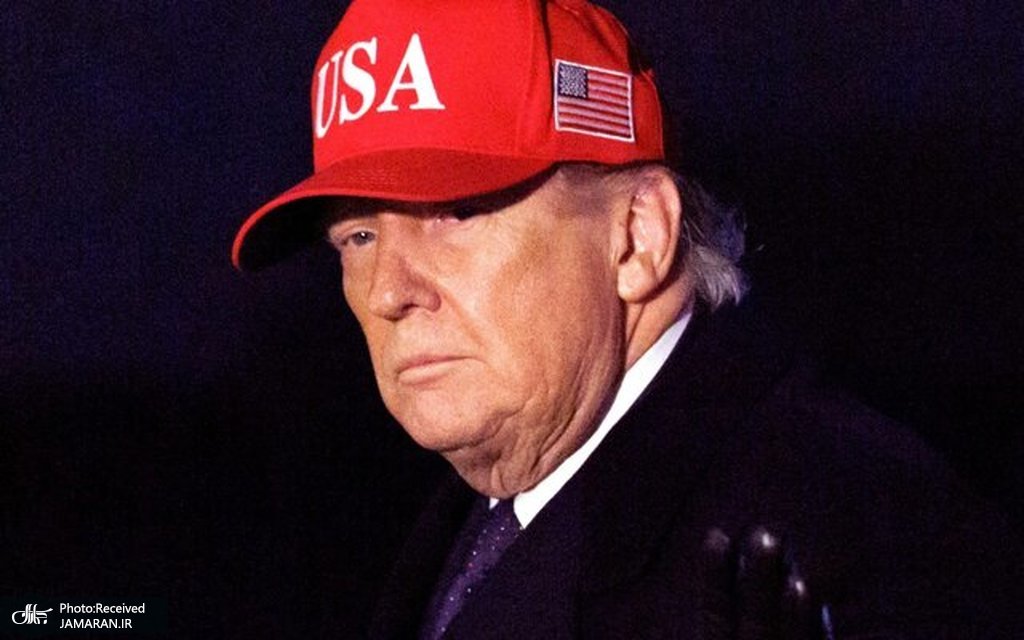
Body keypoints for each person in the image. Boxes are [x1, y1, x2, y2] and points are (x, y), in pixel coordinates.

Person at [232, 1, 1023, 637]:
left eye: (456, 213)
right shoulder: (436, 521)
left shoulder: (856, 538)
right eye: (358, 238)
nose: (387, 292)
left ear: (639, 236)